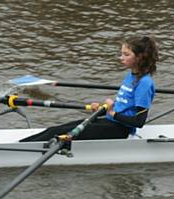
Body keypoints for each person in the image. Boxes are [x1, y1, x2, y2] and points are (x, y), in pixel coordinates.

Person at [21, 36, 159, 142]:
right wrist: (102, 108)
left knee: (56, 135)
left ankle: (18, 151)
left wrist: (112, 113)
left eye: (126, 55)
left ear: (140, 57)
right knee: (53, 129)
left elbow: (139, 122)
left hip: (120, 130)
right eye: (121, 53)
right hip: (110, 122)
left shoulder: (144, 83)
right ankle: (17, 145)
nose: (121, 58)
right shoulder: (131, 75)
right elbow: (123, 106)